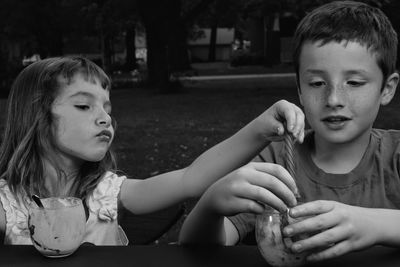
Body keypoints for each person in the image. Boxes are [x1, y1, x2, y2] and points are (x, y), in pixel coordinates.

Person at [179, 0, 400, 262]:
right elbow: (197, 246)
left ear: (387, 88)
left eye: (354, 82)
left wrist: (373, 224)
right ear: (299, 90)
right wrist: (210, 206)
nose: (333, 99)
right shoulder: (276, 163)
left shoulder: (395, 155)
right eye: (317, 83)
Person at [0, 56, 305, 245]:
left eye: (107, 108)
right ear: (36, 116)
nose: (105, 117)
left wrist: (259, 129)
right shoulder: (6, 203)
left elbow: (191, 179)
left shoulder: (107, 193)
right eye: (83, 106)